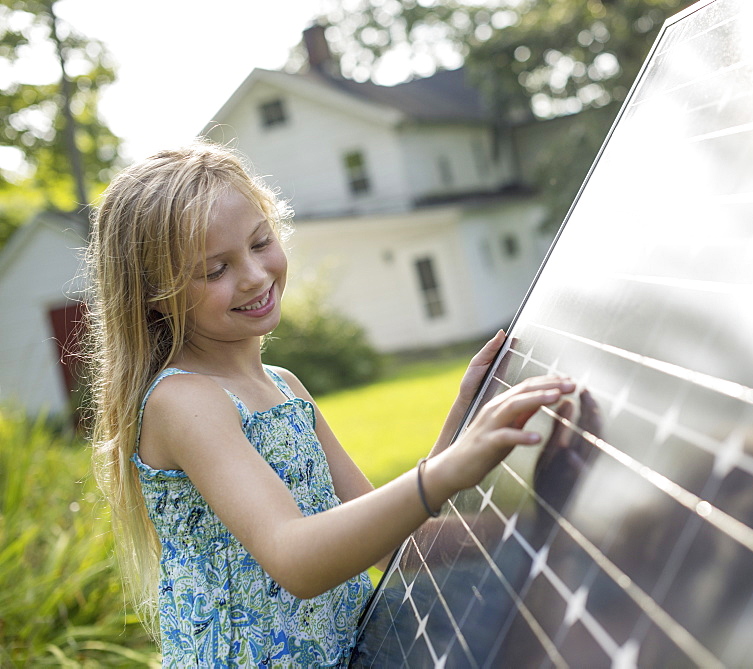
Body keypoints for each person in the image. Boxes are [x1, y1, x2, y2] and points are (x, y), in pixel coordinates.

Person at [85, 140, 575, 667]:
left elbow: (396, 548)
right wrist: (445, 473)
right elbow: (295, 558)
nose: (253, 275)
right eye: (214, 269)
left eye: (259, 242)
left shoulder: (286, 388)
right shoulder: (181, 402)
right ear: (155, 294)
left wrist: (467, 425)